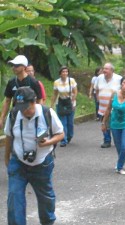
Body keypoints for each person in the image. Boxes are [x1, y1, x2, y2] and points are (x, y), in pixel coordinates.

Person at [4, 87, 64, 225]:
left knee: (46, 199)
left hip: (42, 163)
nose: (24, 111)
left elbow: (60, 134)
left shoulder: (47, 113)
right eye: (21, 107)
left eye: (27, 107)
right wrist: (7, 159)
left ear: (35, 101)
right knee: (14, 197)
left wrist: (48, 142)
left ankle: (48, 221)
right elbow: (8, 136)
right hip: (18, 162)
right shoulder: (14, 114)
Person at [101, 76, 125, 175]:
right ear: (121, 84)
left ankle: (119, 167)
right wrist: (104, 123)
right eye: (124, 83)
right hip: (114, 125)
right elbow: (108, 109)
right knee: (119, 147)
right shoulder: (114, 94)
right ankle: (122, 161)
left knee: (124, 147)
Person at [0, 55, 42, 129]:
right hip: (16, 115)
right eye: (13, 65)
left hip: (30, 116)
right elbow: (7, 101)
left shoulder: (33, 82)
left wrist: (38, 117)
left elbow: (39, 100)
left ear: (24, 67)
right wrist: (2, 118)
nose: (14, 68)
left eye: (16, 66)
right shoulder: (11, 82)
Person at [94, 63, 122, 148]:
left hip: (115, 108)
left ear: (112, 70)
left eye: (106, 69)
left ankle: (118, 140)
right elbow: (96, 89)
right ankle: (107, 140)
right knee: (104, 123)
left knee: (115, 124)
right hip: (102, 107)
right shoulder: (99, 78)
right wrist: (98, 99)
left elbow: (124, 92)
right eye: (104, 68)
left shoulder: (119, 79)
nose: (104, 70)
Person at [51, 66, 78, 147]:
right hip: (61, 103)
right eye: (63, 72)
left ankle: (69, 136)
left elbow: (75, 92)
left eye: (66, 71)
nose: (65, 73)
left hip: (70, 103)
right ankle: (64, 139)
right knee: (63, 123)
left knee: (70, 123)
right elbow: (55, 94)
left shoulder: (71, 81)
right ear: (60, 73)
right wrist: (51, 105)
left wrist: (73, 102)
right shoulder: (56, 82)